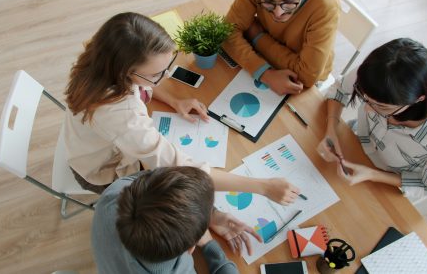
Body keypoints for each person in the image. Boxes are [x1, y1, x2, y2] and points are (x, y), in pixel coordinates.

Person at [63, 12, 300, 201]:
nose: (165, 77)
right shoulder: (119, 113)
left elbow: (142, 82)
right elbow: (178, 166)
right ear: (126, 71)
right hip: (102, 173)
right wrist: (262, 186)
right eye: (157, 74)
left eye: (168, 67)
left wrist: (175, 100)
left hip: (94, 146)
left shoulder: (102, 57)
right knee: (176, 201)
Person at [318, 38, 427, 201]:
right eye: (366, 98)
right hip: (356, 143)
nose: (367, 108)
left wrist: (373, 174)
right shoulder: (378, 75)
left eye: (381, 106)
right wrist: (331, 130)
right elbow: (340, 90)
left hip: (387, 181)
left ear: (418, 99)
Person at [92, 166, 260, 274]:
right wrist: (210, 245)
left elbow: (153, 178)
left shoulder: (114, 193)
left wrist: (209, 215)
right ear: (191, 248)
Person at [221, 0, 340, 95]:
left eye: (289, 1)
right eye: (268, 1)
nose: (278, 13)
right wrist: (266, 74)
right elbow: (227, 31)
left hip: (304, 84)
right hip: (267, 61)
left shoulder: (325, 5)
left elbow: (306, 77)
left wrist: (257, 37)